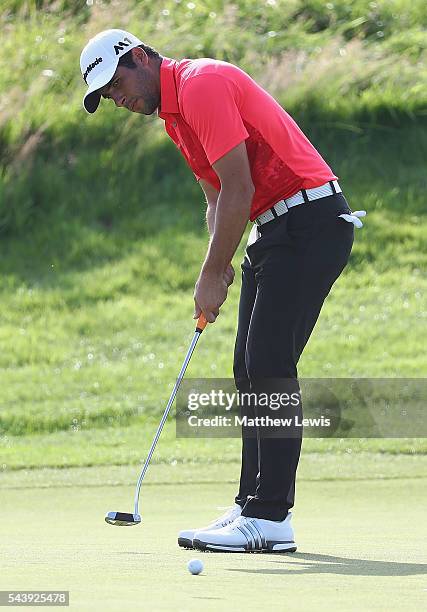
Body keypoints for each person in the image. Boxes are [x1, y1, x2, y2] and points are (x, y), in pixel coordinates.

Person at [80, 29, 366, 553]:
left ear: (139, 57)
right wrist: (213, 267)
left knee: (270, 365)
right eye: (105, 95)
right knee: (248, 367)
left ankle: (272, 518)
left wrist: (214, 274)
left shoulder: (200, 85)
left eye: (115, 83)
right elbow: (216, 198)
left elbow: (240, 186)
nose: (116, 98)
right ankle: (250, 505)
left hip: (310, 222)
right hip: (274, 229)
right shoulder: (174, 115)